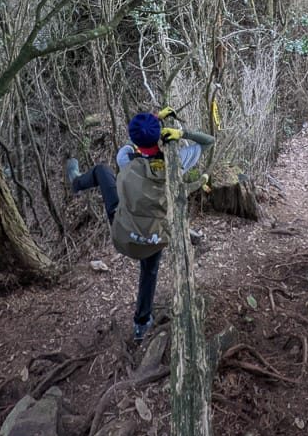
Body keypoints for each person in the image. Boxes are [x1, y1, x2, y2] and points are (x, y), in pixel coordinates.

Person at [66, 109, 215, 343]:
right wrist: (181, 132)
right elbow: (209, 141)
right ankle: (141, 324)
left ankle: (76, 182)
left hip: (123, 234)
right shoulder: (178, 163)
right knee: (149, 271)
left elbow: (131, 146)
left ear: (135, 140)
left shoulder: (125, 160)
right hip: (153, 240)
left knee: (102, 172)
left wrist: (150, 122)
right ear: (160, 135)